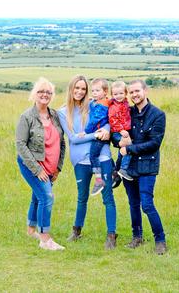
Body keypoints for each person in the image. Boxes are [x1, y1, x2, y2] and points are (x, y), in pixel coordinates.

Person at [58, 75, 118, 250]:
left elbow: (106, 122)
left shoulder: (93, 105)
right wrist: (96, 135)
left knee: (108, 197)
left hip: (103, 156)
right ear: (71, 89)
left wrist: (106, 130)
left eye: (83, 89)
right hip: (80, 160)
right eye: (76, 88)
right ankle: (76, 231)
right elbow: (74, 139)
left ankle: (111, 235)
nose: (79, 91)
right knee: (82, 197)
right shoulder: (62, 112)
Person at [16, 77, 66, 251]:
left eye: (48, 92)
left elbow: (62, 141)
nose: (45, 95)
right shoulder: (26, 117)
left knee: (38, 196)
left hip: (51, 166)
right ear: (34, 94)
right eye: (41, 91)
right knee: (47, 197)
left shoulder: (55, 116)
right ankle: (45, 240)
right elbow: (20, 145)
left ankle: (31, 230)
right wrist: (37, 170)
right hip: (32, 165)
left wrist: (58, 167)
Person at [119, 79, 168, 255]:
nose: (134, 95)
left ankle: (160, 240)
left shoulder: (158, 115)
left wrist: (128, 148)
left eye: (137, 91)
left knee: (146, 204)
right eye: (131, 92)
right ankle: (137, 237)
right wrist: (120, 141)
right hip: (130, 166)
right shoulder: (127, 113)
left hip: (148, 165)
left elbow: (154, 143)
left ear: (145, 91)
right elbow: (118, 134)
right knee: (133, 203)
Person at [83, 78, 110, 196]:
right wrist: (90, 101)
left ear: (105, 92)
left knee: (93, 155)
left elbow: (94, 120)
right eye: (92, 90)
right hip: (102, 133)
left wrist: (87, 132)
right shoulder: (101, 101)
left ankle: (98, 180)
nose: (94, 93)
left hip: (99, 134)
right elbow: (92, 105)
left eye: (97, 90)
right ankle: (114, 173)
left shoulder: (101, 106)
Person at [108, 80, 133, 182]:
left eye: (121, 93)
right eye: (115, 94)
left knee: (121, 152)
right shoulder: (113, 106)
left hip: (125, 131)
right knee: (129, 147)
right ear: (112, 95)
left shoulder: (125, 103)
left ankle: (117, 170)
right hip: (117, 131)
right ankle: (123, 169)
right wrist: (121, 130)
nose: (118, 96)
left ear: (126, 93)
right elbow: (112, 120)